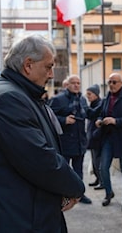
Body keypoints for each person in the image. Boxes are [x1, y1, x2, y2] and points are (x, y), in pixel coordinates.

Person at [0, 34, 85, 232]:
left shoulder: (16, 93)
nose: (51, 74)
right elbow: (39, 159)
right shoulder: (9, 99)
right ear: (28, 65)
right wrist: (75, 188)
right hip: (13, 216)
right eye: (48, 67)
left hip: (17, 211)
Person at [95, 73, 122, 212]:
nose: (112, 85)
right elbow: (102, 112)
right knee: (103, 168)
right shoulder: (107, 97)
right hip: (108, 137)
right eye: (110, 82)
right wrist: (99, 119)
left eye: (114, 82)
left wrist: (116, 121)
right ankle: (109, 193)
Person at [49, 74, 92, 204]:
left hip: (80, 141)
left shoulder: (82, 99)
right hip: (65, 141)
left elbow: (87, 113)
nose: (76, 85)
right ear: (67, 85)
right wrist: (64, 120)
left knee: (79, 170)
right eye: (73, 83)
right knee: (65, 170)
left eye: (78, 83)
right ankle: (64, 195)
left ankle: (79, 194)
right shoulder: (59, 99)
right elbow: (49, 116)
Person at [85, 84, 104, 190]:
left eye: (89, 94)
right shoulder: (93, 104)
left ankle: (102, 181)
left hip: (97, 137)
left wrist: (95, 133)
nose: (88, 96)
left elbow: (93, 115)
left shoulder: (99, 105)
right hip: (93, 136)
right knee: (94, 160)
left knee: (98, 161)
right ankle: (98, 179)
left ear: (96, 94)